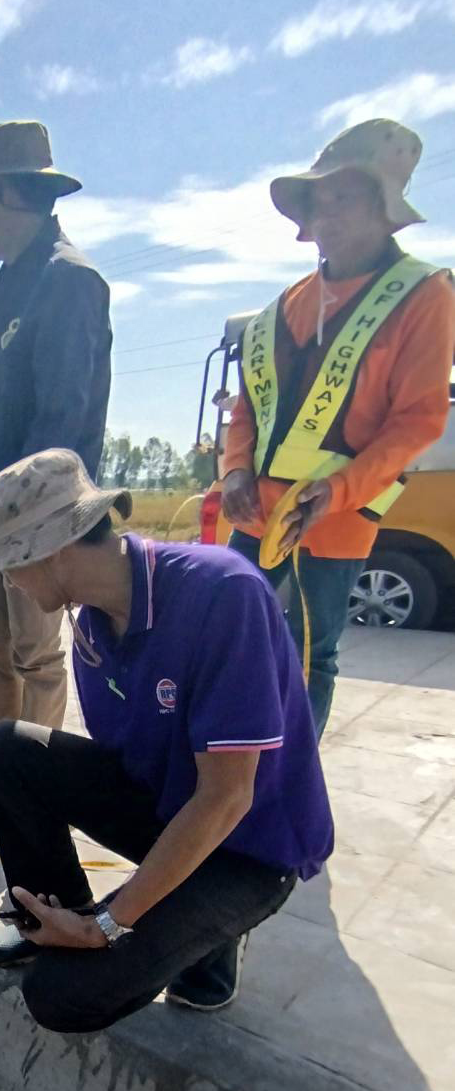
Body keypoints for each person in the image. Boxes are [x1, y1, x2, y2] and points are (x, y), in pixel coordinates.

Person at [0, 449, 333, 1029]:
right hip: (171, 808)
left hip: (247, 846)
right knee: (6, 748)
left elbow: (227, 797)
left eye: (11, 564)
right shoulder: (91, 625)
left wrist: (109, 926)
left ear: (51, 549)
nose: (9, 580)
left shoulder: (222, 593)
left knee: (60, 995)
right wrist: (98, 918)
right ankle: (56, 918)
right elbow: (123, 762)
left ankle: (209, 932)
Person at [221, 119, 455, 738]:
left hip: (335, 517)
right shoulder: (281, 308)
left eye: (343, 196)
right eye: (317, 199)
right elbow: (247, 411)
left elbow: (418, 419)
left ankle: (288, 782)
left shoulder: (424, 294)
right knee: (229, 641)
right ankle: (230, 771)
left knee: (310, 654)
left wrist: (338, 491)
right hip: (255, 514)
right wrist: (235, 471)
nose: (326, 214)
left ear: (384, 208)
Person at [0, 121, 113, 793]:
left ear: (12, 193)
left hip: (34, 514)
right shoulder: (11, 282)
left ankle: (34, 781)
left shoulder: (69, 280)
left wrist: (30, 527)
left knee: (35, 655)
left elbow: (62, 417)